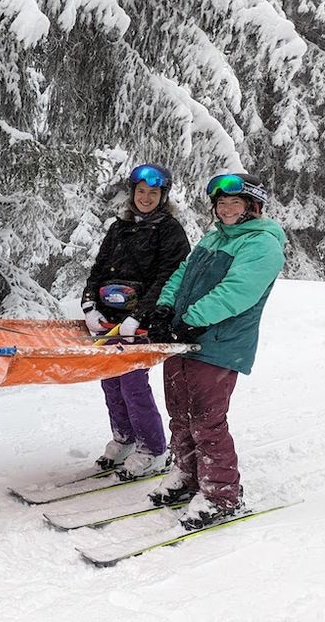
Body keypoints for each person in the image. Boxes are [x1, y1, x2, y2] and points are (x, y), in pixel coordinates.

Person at [145, 172, 285, 530]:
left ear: (253, 206)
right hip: (184, 337)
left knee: (207, 420)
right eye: (220, 203)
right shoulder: (213, 237)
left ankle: (221, 494)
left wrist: (191, 319)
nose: (225, 209)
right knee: (179, 413)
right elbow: (181, 272)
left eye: (233, 203)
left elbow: (238, 291)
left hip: (220, 345)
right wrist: (164, 306)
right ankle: (186, 475)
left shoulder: (262, 243)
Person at [82, 163, 191, 478]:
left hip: (140, 322)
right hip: (109, 319)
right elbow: (99, 268)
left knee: (132, 383)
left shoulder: (170, 231)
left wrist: (138, 316)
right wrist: (89, 304)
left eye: (152, 192)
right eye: (140, 191)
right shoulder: (119, 228)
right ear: (132, 193)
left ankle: (154, 449)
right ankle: (125, 438)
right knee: (111, 381)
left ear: (162, 195)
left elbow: (167, 279)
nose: (145, 197)